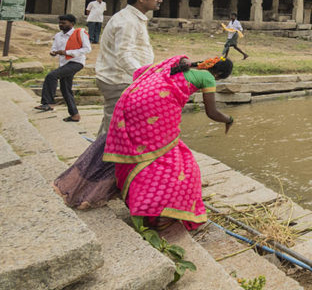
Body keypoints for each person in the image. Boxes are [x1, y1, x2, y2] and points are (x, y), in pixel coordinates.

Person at [54, 55, 235, 224]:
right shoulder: (208, 77)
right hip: (154, 110)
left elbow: (140, 73)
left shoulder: (180, 65)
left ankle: (84, 191)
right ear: (218, 74)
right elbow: (212, 113)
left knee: (122, 149)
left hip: (131, 100)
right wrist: (229, 120)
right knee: (177, 163)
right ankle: (156, 211)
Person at [95, 0, 162, 137]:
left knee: (111, 125)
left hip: (124, 79)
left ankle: (94, 158)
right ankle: (102, 160)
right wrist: (145, 76)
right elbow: (124, 55)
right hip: (119, 81)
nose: (160, 0)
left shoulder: (133, 18)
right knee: (115, 131)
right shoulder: (127, 21)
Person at [35, 14, 91, 122]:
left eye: (64, 23)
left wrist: (67, 52)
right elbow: (54, 48)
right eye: (60, 23)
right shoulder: (58, 35)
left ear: (72, 24)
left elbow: (87, 49)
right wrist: (53, 52)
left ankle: (48, 103)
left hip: (76, 62)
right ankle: (74, 115)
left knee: (51, 76)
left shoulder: (79, 33)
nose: (61, 25)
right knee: (65, 89)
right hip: (64, 64)